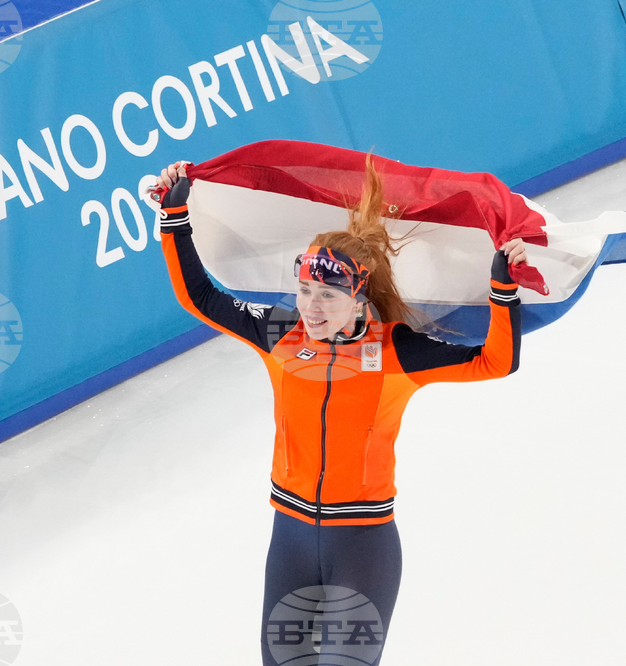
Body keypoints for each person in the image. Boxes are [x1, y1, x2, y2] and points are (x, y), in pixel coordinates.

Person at [152, 157, 530, 665]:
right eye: (305, 291)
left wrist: (503, 292)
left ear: (356, 296)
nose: (310, 307)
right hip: (289, 537)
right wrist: (175, 220)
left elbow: (495, 362)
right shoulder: (280, 332)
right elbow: (200, 296)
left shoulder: (396, 351)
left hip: (364, 546)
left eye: (326, 295)